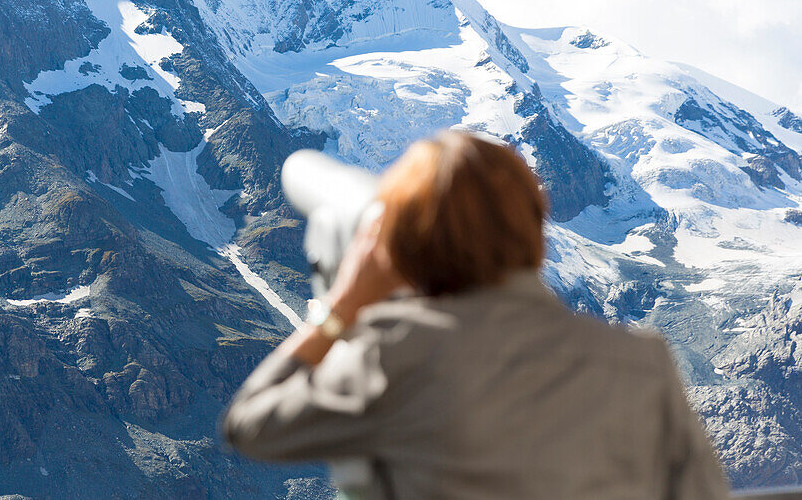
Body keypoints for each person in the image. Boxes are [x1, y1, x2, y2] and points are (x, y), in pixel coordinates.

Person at [222, 131, 729, 499]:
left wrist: (341, 307)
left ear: (406, 245)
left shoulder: (399, 355)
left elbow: (250, 424)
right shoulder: (643, 363)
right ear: (533, 227)